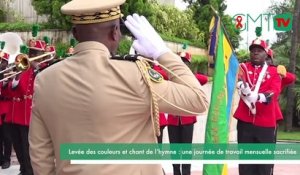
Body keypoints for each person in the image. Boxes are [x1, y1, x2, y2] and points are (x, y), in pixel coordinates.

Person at [28, 0, 208, 175]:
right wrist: (162, 52)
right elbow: (197, 100)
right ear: (115, 32)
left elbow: (40, 155)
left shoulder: (44, 80)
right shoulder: (134, 74)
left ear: (75, 33)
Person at [234, 38, 281, 175]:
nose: (255, 53)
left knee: (264, 165)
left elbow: (275, 91)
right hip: (245, 122)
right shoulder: (242, 68)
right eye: (253, 51)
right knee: (245, 164)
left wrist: (259, 97)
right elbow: (236, 79)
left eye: (259, 51)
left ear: (266, 54)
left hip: (265, 124)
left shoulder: (273, 71)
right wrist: (240, 85)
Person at [167, 52, 208, 175]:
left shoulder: (192, 78)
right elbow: (160, 73)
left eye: (185, 62)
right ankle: (176, 172)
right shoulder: (170, 76)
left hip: (187, 120)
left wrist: (187, 75)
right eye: (180, 61)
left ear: (188, 65)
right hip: (173, 119)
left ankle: (186, 173)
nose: (182, 64)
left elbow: (204, 79)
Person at [265, 48, 296, 141]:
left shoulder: (276, 73)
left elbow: (291, 78)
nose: (265, 60)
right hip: (253, 110)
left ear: (271, 60)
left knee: (269, 141)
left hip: (270, 111)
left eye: (268, 58)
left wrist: (284, 73)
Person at [0, 47, 12, 169]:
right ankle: (1, 158)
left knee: (7, 136)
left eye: (3, 62)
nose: (1, 64)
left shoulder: (10, 75)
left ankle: (7, 159)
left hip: (6, 108)